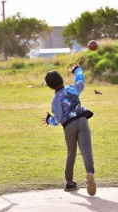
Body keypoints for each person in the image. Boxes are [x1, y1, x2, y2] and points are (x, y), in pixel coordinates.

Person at [41, 66, 96, 196]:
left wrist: (49, 120)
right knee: (86, 148)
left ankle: (69, 182)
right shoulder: (72, 88)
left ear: (50, 87)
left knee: (71, 152)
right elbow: (80, 81)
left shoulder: (55, 100)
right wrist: (77, 70)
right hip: (82, 120)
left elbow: (58, 118)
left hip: (69, 125)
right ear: (61, 80)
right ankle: (90, 173)